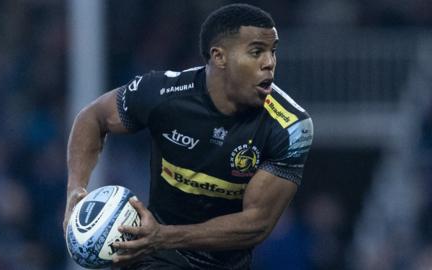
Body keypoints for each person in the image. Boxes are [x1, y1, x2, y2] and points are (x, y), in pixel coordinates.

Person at [63, 3, 313, 269]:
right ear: (219, 57)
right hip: (158, 257)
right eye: (256, 52)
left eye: (272, 52)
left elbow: (256, 225)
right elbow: (93, 118)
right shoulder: (161, 94)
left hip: (219, 259)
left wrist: (163, 236)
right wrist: (75, 189)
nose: (269, 63)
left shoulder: (290, 127)